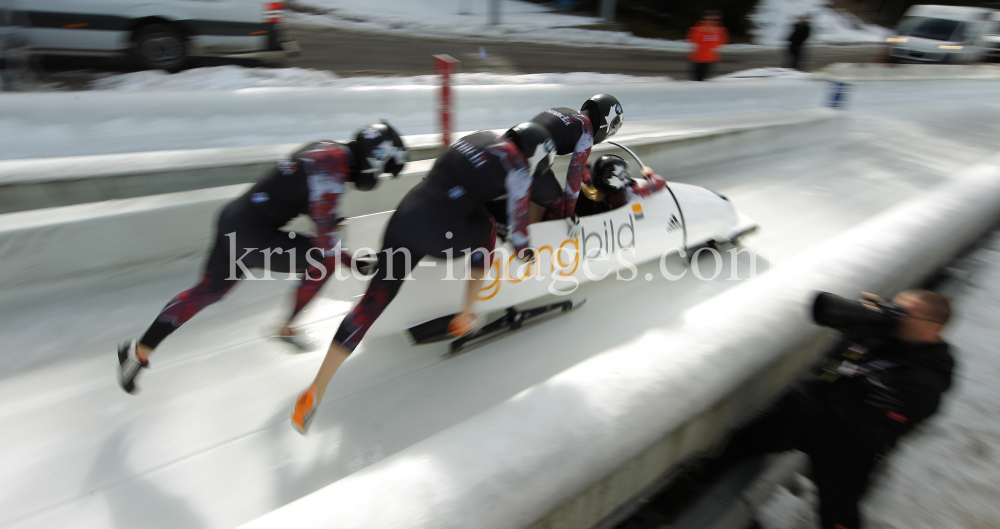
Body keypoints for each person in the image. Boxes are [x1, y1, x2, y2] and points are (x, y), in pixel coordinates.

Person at [290, 122, 556, 434]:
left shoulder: (477, 136)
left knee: (371, 304)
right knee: (489, 228)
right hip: (441, 232)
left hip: (405, 216)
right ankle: (466, 314)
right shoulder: (518, 167)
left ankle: (315, 390)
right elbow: (521, 228)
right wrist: (525, 253)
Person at [116, 122, 408, 394]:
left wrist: (330, 223)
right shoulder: (332, 177)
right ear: (375, 160)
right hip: (253, 238)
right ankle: (287, 326)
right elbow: (325, 239)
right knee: (324, 261)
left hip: (233, 221)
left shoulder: (326, 147)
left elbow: (302, 193)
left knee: (207, 291)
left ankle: (139, 351)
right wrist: (353, 261)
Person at [717, 289, 955, 529]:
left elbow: (877, 433)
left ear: (931, 327)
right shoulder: (885, 336)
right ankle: (718, 506)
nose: (896, 316)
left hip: (846, 449)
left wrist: (850, 390)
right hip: (809, 414)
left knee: (838, 518)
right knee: (738, 444)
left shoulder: (925, 382)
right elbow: (830, 370)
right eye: (895, 307)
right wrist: (857, 333)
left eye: (906, 313)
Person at [527, 94, 625, 225]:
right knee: (555, 199)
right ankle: (531, 238)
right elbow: (573, 177)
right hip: (529, 160)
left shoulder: (564, 110)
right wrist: (570, 213)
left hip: (519, 145)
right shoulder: (587, 133)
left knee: (545, 182)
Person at [576, 154, 666, 216]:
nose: (628, 174)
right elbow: (660, 183)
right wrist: (649, 173)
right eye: (623, 174)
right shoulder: (629, 193)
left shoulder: (594, 186)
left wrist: (588, 167)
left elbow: (584, 172)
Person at [687, 11, 728, 82]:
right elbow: (694, 40)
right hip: (701, 57)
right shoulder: (699, 28)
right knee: (698, 79)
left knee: (701, 79)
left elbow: (722, 42)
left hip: (708, 57)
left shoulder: (720, 29)